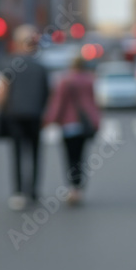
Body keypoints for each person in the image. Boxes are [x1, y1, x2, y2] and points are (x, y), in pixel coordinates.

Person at [0, 24, 51, 211]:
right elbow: (47, 93)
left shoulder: (7, 63)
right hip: (35, 115)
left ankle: (18, 193)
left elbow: (1, 91)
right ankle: (33, 191)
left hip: (14, 115)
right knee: (35, 154)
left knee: (17, 153)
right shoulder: (41, 66)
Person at [43, 56, 102, 206]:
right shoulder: (89, 80)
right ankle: (79, 186)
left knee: (70, 157)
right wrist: (96, 120)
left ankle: (73, 188)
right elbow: (93, 102)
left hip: (69, 124)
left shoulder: (65, 80)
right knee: (81, 157)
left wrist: (50, 119)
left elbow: (58, 102)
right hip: (85, 123)